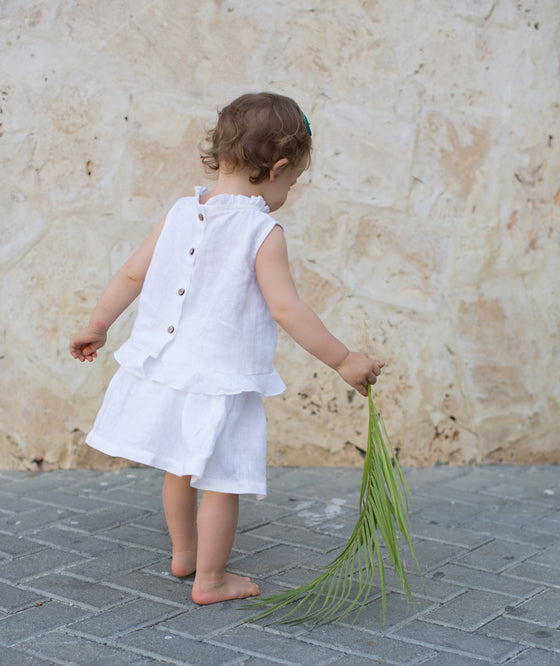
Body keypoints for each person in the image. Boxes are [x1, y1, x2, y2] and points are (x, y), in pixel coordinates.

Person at [70, 92, 384, 606]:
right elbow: (288, 310)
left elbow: (132, 272)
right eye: (293, 182)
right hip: (222, 377)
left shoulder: (179, 212)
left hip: (168, 368)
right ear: (279, 168)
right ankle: (211, 580)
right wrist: (344, 359)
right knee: (222, 480)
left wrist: (99, 324)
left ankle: (184, 554)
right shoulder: (263, 230)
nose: (289, 190)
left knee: (179, 464)